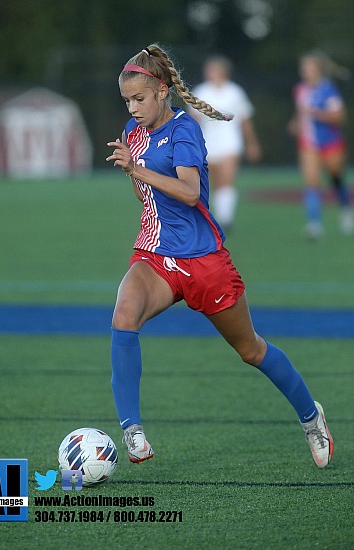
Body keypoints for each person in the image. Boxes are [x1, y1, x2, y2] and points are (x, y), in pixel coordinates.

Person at [106, 44, 333, 469]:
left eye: (139, 99)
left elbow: (190, 193)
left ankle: (310, 415)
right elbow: (149, 197)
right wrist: (133, 170)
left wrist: (137, 170)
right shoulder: (132, 134)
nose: (133, 108)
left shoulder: (185, 129)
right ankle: (132, 430)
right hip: (155, 255)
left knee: (250, 349)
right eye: (127, 101)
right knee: (123, 316)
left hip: (204, 262)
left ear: (161, 92)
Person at [188, 55, 261, 232]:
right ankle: (216, 217)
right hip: (208, 142)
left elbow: (244, 120)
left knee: (227, 178)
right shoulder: (201, 91)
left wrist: (252, 143)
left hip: (230, 140)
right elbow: (193, 120)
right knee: (215, 180)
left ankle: (225, 219)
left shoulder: (235, 92)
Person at [289, 50, 353, 239]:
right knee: (311, 182)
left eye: (309, 67)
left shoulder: (328, 90)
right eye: (304, 67)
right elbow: (301, 113)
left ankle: (346, 209)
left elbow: (339, 117)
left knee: (336, 177)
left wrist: (316, 113)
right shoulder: (299, 89)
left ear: (319, 70)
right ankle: (314, 225)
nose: (305, 71)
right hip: (308, 143)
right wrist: (295, 123)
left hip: (331, 142)